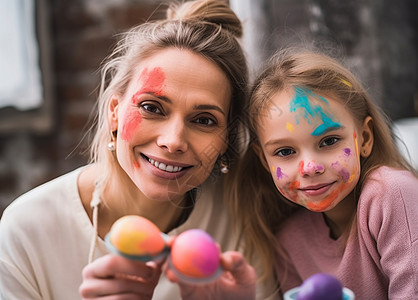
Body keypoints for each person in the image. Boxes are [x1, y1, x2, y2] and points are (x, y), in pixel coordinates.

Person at [0, 1, 258, 299]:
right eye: (151, 107)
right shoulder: (26, 230)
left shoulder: (240, 218)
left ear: (226, 139)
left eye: (204, 120)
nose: (173, 140)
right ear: (114, 112)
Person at [224, 48, 418, 299]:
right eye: (285, 151)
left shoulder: (392, 194)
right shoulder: (289, 242)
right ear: (264, 160)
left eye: (329, 141)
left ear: (364, 138)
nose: (310, 167)